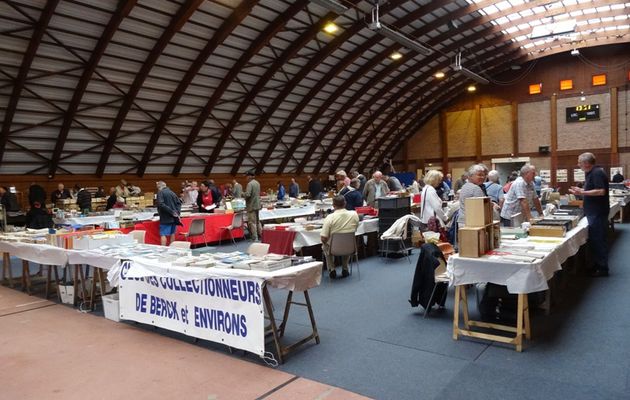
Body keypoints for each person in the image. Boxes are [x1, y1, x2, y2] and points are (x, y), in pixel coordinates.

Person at [569, 153, 609, 277]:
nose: (578, 164)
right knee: (595, 239)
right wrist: (581, 191)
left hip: (597, 212)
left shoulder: (597, 173)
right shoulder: (591, 173)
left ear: (586, 163)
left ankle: (602, 268)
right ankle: (598, 264)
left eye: (579, 162)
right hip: (594, 212)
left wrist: (583, 191)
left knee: (598, 240)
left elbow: (601, 191)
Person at [321, 196, 359, 279]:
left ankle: (331, 269)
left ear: (333, 205)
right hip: (350, 247)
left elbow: (323, 238)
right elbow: (355, 229)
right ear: (345, 203)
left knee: (325, 245)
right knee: (346, 241)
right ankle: (345, 268)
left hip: (333, 248)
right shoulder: (354, 214)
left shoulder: (330, 217)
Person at [156, 181, 181, 246]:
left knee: (163, 234)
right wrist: (177, 213)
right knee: (172, 233)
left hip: (165, 217)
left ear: (159, 187)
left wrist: (171, 212)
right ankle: (172, 249)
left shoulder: (160, 192)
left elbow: (161, 204)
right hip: (174, 217)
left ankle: (163, 250)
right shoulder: (172, 192)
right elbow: (179, 203)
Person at [243, 172, 262, 241]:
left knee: (252, 222)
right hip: (257, 205)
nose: (246, 178)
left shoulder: (249, 184)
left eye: (246, 176)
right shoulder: (257, 183)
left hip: (251, 205)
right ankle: (261, 235)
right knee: (258, 221)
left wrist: (242, 194)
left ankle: (255, 237)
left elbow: (248, 195)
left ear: (249, 177)